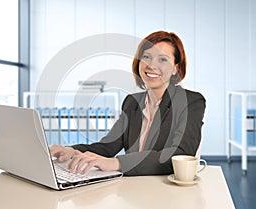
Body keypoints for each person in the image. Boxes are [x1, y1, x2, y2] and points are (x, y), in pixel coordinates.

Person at [50, 30, 206, 176]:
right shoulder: (132, 102)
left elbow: (180, 154)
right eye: (146, 57)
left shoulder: (191, 101)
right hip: (132, 188)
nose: (151, 65)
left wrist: (118, 163)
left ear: (175, 68)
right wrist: (71, 150)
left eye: (163, 59)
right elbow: (108, 146)